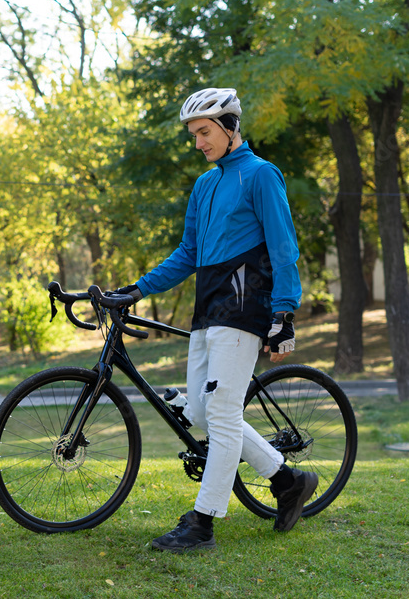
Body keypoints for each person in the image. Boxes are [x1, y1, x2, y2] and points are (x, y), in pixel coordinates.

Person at [115, 87, 315, 553]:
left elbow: (284, 247)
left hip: (246, 310)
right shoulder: (205, 185)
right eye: (194, 135)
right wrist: (136, 289)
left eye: (204, 132)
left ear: (229, 127)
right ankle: (288, 482)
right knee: (204, 412)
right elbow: (187, 253)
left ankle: (202, 523)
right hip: (207, 310)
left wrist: (284, 312)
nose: (199, 143)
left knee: (220, 414)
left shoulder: (261, 175)